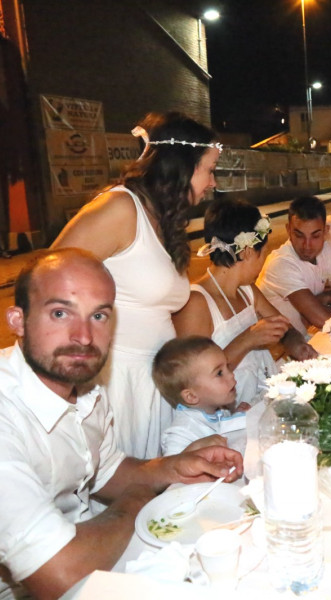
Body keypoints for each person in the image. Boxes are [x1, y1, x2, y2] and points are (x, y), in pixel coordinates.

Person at [0, 249, 242, 599]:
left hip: (91, 556)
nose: (83, 336)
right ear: (17, 320)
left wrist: (173, 467)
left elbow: (107, 468)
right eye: (59, 313)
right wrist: (139, 498)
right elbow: (58, 573)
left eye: (98, 315)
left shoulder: (85, 388)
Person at [50, 112, 219, 459]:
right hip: (117, 383)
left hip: (153, 383)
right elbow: (47, 278)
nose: (213, 182)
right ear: (182, 166)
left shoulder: (165, 218)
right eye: (210, 169)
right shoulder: (121, 208)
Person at [173, 198, 315, 408]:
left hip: (260, 400)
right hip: (226, 415)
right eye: (263, 252)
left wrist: (300, 347)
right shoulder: (197, 302)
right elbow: (194, 380)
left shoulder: (247, 289)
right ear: (248, 252)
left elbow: (284, 328)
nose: (264, 259)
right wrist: (248, 339)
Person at [257, 196, 331, 335]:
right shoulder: (281, 263)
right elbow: (323, 319)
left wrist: (325, 298)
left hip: (307, 338)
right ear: (288, 230)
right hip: (282, 351)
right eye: (299, 235)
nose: (307, 246)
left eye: (315, 236)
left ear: (325, 232)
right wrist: (319, 307)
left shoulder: (324, 249)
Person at [154, 336, 249, 456]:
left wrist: (236, 418)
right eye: (219, 373)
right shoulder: (182, 432)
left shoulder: (218, 408)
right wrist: (196, 448)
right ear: (191, 396)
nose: (231, 375)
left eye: (227, 367)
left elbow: (223, 431)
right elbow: (169, 469)